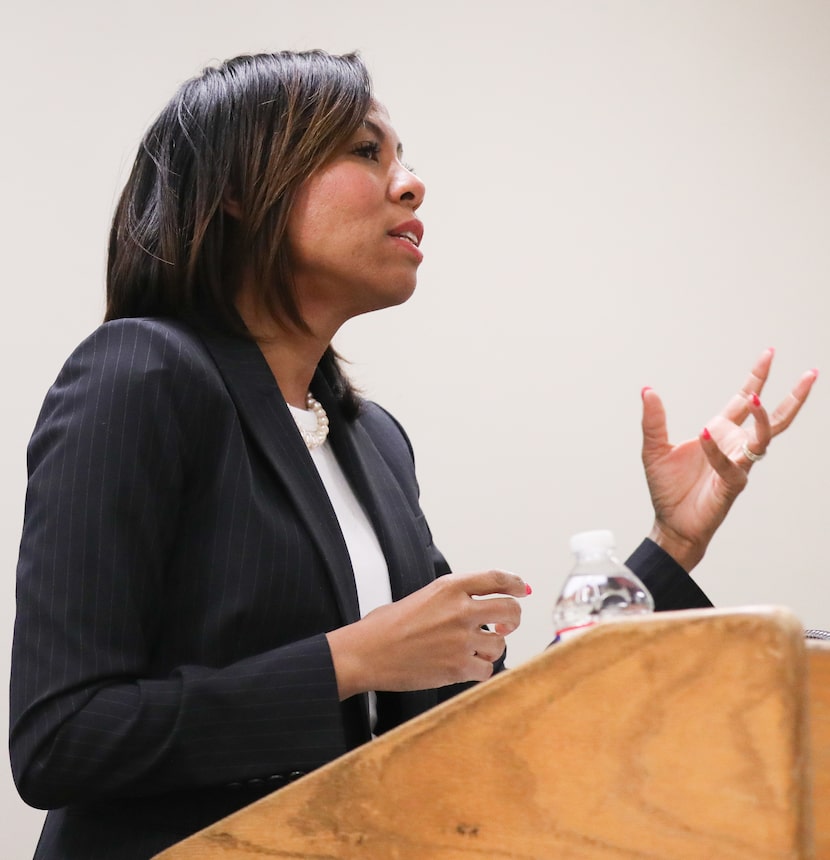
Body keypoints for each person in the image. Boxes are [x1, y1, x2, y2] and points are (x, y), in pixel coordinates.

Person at [8, 50, 817, 860]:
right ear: (235, 189)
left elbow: (478, 724)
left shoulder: (375, 442)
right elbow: (61, 737)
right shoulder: (138, 375)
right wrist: (349, 661)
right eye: (366, 152)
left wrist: (672, 545)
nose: (410, 184)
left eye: (405, 160)